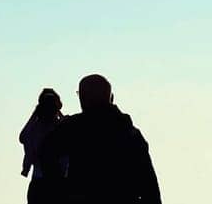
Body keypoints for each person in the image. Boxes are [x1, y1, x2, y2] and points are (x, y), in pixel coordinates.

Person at [39, 73, 161, 204]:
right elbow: (149, 185)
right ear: (110, 97)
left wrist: (61, 189)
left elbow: (46, 151)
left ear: (84, 98)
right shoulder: (130, 133)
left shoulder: (75, 127)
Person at [19, 88, 65, 204]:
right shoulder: (62, 128)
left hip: (39, 182)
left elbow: (23, 137)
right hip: (58, 183)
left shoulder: (35, 128)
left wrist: (35, 114)